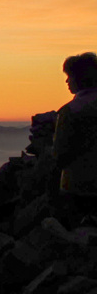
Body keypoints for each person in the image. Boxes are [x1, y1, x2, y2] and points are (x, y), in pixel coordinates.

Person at [51, 52, 97, 228]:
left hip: (80, 188)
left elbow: (60, 154)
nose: (67, 81)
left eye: (69, 76)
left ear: (80, 79)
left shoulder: (71, 111)